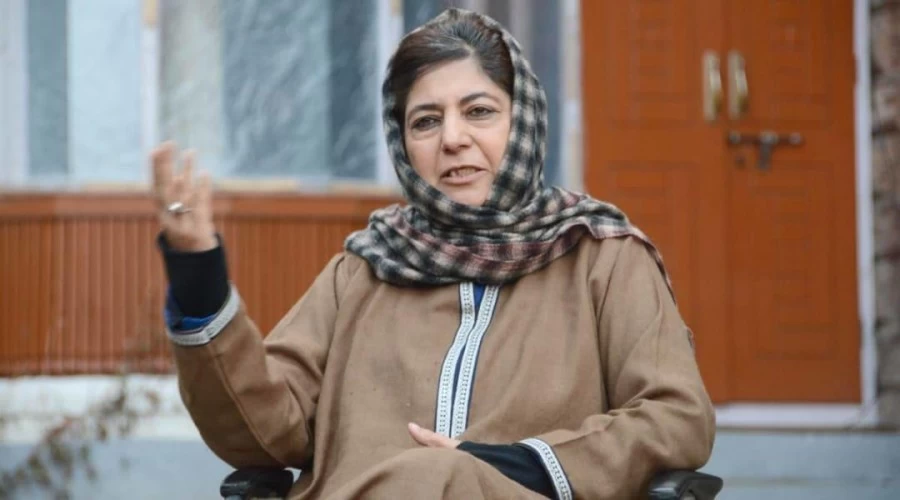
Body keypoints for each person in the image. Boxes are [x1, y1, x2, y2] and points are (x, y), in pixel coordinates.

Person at [151, 8, 714, 500]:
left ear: (523, 119)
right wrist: (199, 277)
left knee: (439, 475)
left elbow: (676, 417)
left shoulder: (602, 256)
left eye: (479, 111)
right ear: (403, 145)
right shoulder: (365, 268)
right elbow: (261, 431)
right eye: (426, 121)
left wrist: (519, 463)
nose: (452, 138)